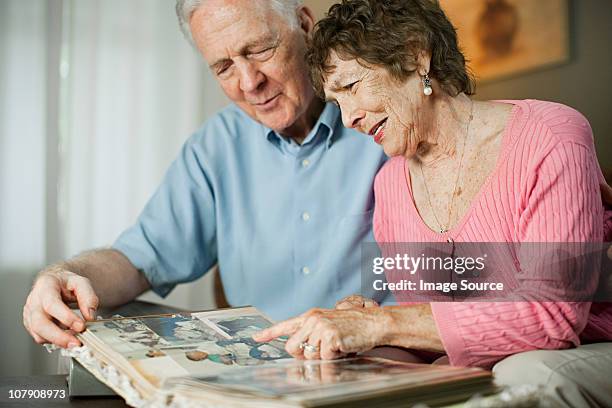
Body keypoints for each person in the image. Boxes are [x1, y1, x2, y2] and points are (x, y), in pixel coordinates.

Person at [253, 0, 612, 405]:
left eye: (351, 88)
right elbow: (437, 327)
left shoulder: (551, 135)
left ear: (414, 55)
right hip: (487, 363)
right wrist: (360, 331)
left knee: (523, 374)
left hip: (587, 347)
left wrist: (383, 324)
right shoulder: (390, 186)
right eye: (337, 104)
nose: (349, 118)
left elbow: (553, 316)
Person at [22, 0, 387, 349]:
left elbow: (439, 295)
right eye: (223, 67)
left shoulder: (385, 127)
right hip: (257, 380)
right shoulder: (217, 146)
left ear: (305, 26)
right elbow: (138, 261)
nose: (248, 83)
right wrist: (64, 276)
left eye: (259, 50)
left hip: (379, 371)